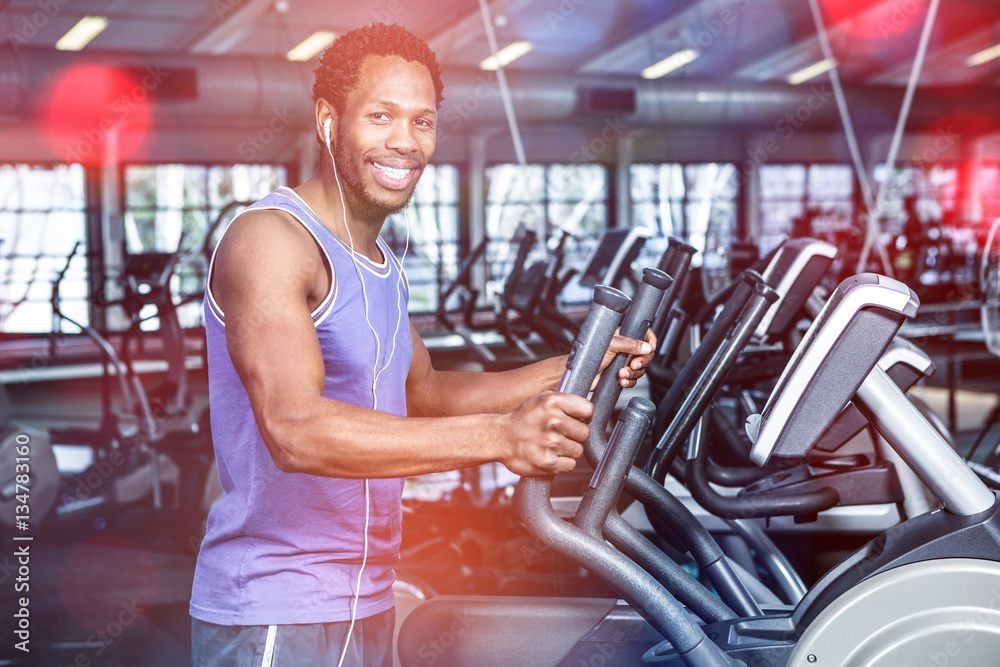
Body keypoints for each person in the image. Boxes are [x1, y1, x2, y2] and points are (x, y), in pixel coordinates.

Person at [188, 22, 655, 667]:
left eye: (423, 122)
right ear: (328, 121)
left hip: (368, 595)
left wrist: (577, 367)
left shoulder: (378, 258)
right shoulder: (270, 240)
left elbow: (427, 393)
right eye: (380, 117)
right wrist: (504, 438)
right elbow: (294, 429)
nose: (404, 142)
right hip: (277, 605)